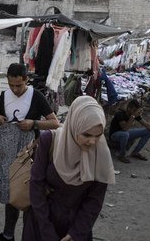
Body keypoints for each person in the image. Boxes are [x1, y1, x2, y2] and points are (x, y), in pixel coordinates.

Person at [22, 96, 115, 241]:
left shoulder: (100, 154)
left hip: (75, 229)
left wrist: (76, 233)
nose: (92, 141)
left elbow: (94, 200)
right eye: (86, 134)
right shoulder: (50, 141)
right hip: (41, 224)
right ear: (74, 126)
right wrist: (47, 231)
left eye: (98, 135)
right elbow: (36, 186)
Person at [0, 63, 60, 241]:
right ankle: (8, 235)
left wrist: (34, 124)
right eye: (11, 85)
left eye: (19, 85)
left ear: (26, 80)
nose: (15, 89)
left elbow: (54, 122)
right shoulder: (5, 96)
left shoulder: (35, 95)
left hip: (29, 156)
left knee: (29, 196)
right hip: (8, 156)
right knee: (11, 195)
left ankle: (29, 236)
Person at [108, 99, 150, 163]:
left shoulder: (133, 115)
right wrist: (133, 116)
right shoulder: (120, 114)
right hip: (115, 135)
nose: (135, 112)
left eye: (136, 110)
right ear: (129, 108)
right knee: (125, 134)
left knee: (147, 131)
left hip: (125, 133)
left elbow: (147, 125)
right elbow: (125, 128)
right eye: (134, 110)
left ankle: (135, 152)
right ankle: (122, 155)